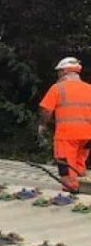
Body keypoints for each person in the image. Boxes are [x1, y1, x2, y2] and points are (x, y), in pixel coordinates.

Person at [39, 57, 91, 193]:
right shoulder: (89, 89)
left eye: (58, 72)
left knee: (66, 167)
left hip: (66, 135)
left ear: (63, 72)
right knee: (80, 163)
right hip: (87, 136)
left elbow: (46, 110)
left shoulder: (58, 88)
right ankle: (85, 188)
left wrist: (43, 125)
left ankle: (71, 191)